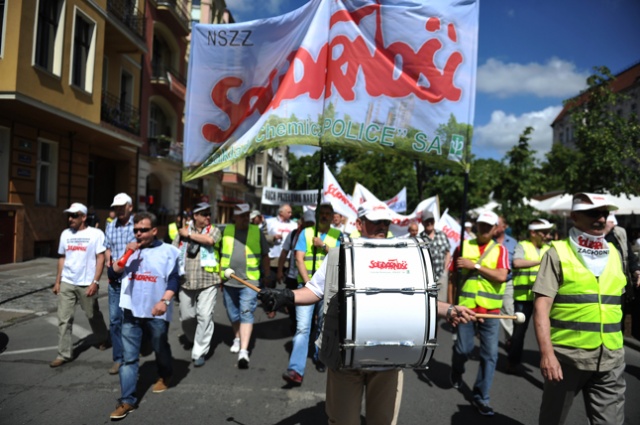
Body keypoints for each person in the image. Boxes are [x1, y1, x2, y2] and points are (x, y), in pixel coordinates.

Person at [258, 200, 476, 424]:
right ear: (360, 224)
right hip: (345, 359)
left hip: (388, 360)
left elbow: (419, 299)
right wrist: (286, 296)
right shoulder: (338, 255)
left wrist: (449, 309)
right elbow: (313, 290)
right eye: (376, 222)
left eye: (385, 222)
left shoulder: (403, 257)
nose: (382, 226)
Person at [533, 193, 627, 425]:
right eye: (594, 213)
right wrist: (547, 354)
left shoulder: (614, 253)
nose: (601, 219)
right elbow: (542, 307)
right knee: (552, 420)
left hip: (610, 358)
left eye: (604, 213)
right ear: (574, 216)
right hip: (567, 358)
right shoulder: (557, 252)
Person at [108, 212, 181, 420]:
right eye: (136, 230)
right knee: (129, 358)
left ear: (154, 231)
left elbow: (174, 280)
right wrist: (126, 255)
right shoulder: (131, 251)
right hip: (131, 310)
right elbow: (112, 275)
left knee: (159, 344)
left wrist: (164, 301)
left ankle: (165, 373)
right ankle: (127, 401)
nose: (138, 234)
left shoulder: (170, 252)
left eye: (143, 230)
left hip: (156, 311)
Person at [449, 210, 509, 416]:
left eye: (488, 226)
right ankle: (456, 371)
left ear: (495, 229)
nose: (483, 229)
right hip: (465, 309)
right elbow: (452, 278)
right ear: (476, 226)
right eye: (480, 225)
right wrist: (450, 308)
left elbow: (502, 276)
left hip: (491, 313)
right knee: (463, 349)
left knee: (489, 355)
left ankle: (481, 396)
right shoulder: (463, 246)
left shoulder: (501, 250)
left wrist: (475, 265)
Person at [282, 203, 341, 385]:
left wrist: (323, 246)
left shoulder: (338, 236)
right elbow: (299, 258)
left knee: (323, 326)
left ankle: (320, 356)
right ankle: (296, 369)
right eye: (321, 213)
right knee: (303, 327)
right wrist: (308, 283)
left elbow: (342, 257)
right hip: (306, 286)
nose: (324, 216)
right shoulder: (306, 233)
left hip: (329, 289)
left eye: (327, 213)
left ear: (332, 217)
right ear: (316, 216)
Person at [50, 202, 109, 368]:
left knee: (92, 314)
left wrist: (95, 282)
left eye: (74, 215)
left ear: (83, 217)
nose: (70, 218)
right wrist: (58, 281)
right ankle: (64, 354)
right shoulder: (65, 234)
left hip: (86, 283)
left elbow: (101, 258)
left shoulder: (96, 234)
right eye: (69, 215)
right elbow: (62, 257)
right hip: (68, 282)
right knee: (64, 319)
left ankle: (102, 337)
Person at [218, 203, 270, 369]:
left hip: (250, 280)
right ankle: (237, 337)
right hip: (229, 280)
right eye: (241, 216)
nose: (244, 219)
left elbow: (265, 255)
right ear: (234, 216)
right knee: (233, 313)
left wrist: (267, 275)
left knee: (246, 312)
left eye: (246, 215)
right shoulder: (225, 230)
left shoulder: (256, 231)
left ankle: (244, 351)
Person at [173, 202, 222, 367]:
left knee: (205, 316)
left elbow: (209, 241)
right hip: (186, 281)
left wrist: (189, 235)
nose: (208, 217)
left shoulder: (214, 230)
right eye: (204, 214)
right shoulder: (182, 231)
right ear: (195, 216)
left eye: (209, 214)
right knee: (186, 316)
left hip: (208, 280)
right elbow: (173, 252)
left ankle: (199, 351)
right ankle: (195, 338)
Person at [507, 218, 554, 374]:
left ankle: (551, 362)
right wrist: (541, 261)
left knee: (549, 332)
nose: (547, 235)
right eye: (544, 232)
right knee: (519, 333)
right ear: (532, 233)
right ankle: (513, 362)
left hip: (544, 297)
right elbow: (517, 263)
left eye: (548, 232)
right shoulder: (523, 245)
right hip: (523, 298)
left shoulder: (550, 248)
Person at [104, 192, 136, 375]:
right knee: (115, 320)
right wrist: (110, 264)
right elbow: (107, 248)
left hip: (132, 280)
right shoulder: (111, 226)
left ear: (130, 207)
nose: (118, 211)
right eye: (116, 208)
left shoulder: (136, 226)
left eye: (121, 207)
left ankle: (131, 353)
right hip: (115, 279)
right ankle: (118, 358)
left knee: (131, 319)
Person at [277, 210, 316, 330]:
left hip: (310, 277)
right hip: (293, 276)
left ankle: (307, 329)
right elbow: (284, 252)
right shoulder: (294, 234)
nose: (309, 225)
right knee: (292, 304)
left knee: (310, 307)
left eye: (311, 223)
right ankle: (296, 325)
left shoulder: (317, 235)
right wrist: (279, 270)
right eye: (307, 222)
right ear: (302, 222)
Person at [419, 210, 451, 301]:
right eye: (427, 221)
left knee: (442, 305)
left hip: (442, 275)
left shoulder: (442, 235)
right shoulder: (419, 238)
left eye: (431, 220)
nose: (429, 223)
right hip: (426, 278)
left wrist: (445, 270)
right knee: (428, 303)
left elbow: (448, 253)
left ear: (434, 221)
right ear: (422, 223)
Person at [495, 215, 518, 344]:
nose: (495, 227)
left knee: (508, 311)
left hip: (507, 282)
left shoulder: (513, 243)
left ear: (504, 227)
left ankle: (510, 340)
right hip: (489, 282)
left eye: (498, 224)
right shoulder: (488, 242)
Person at [265, 204, 298, 286]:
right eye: (288, 212)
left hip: (287, 261)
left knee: (286, 289)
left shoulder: (294, 224)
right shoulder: (269, 222)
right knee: (270, 287)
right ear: (281, 212)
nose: (291, 214)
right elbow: (262, 237)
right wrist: (272, 237)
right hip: (272, 259)